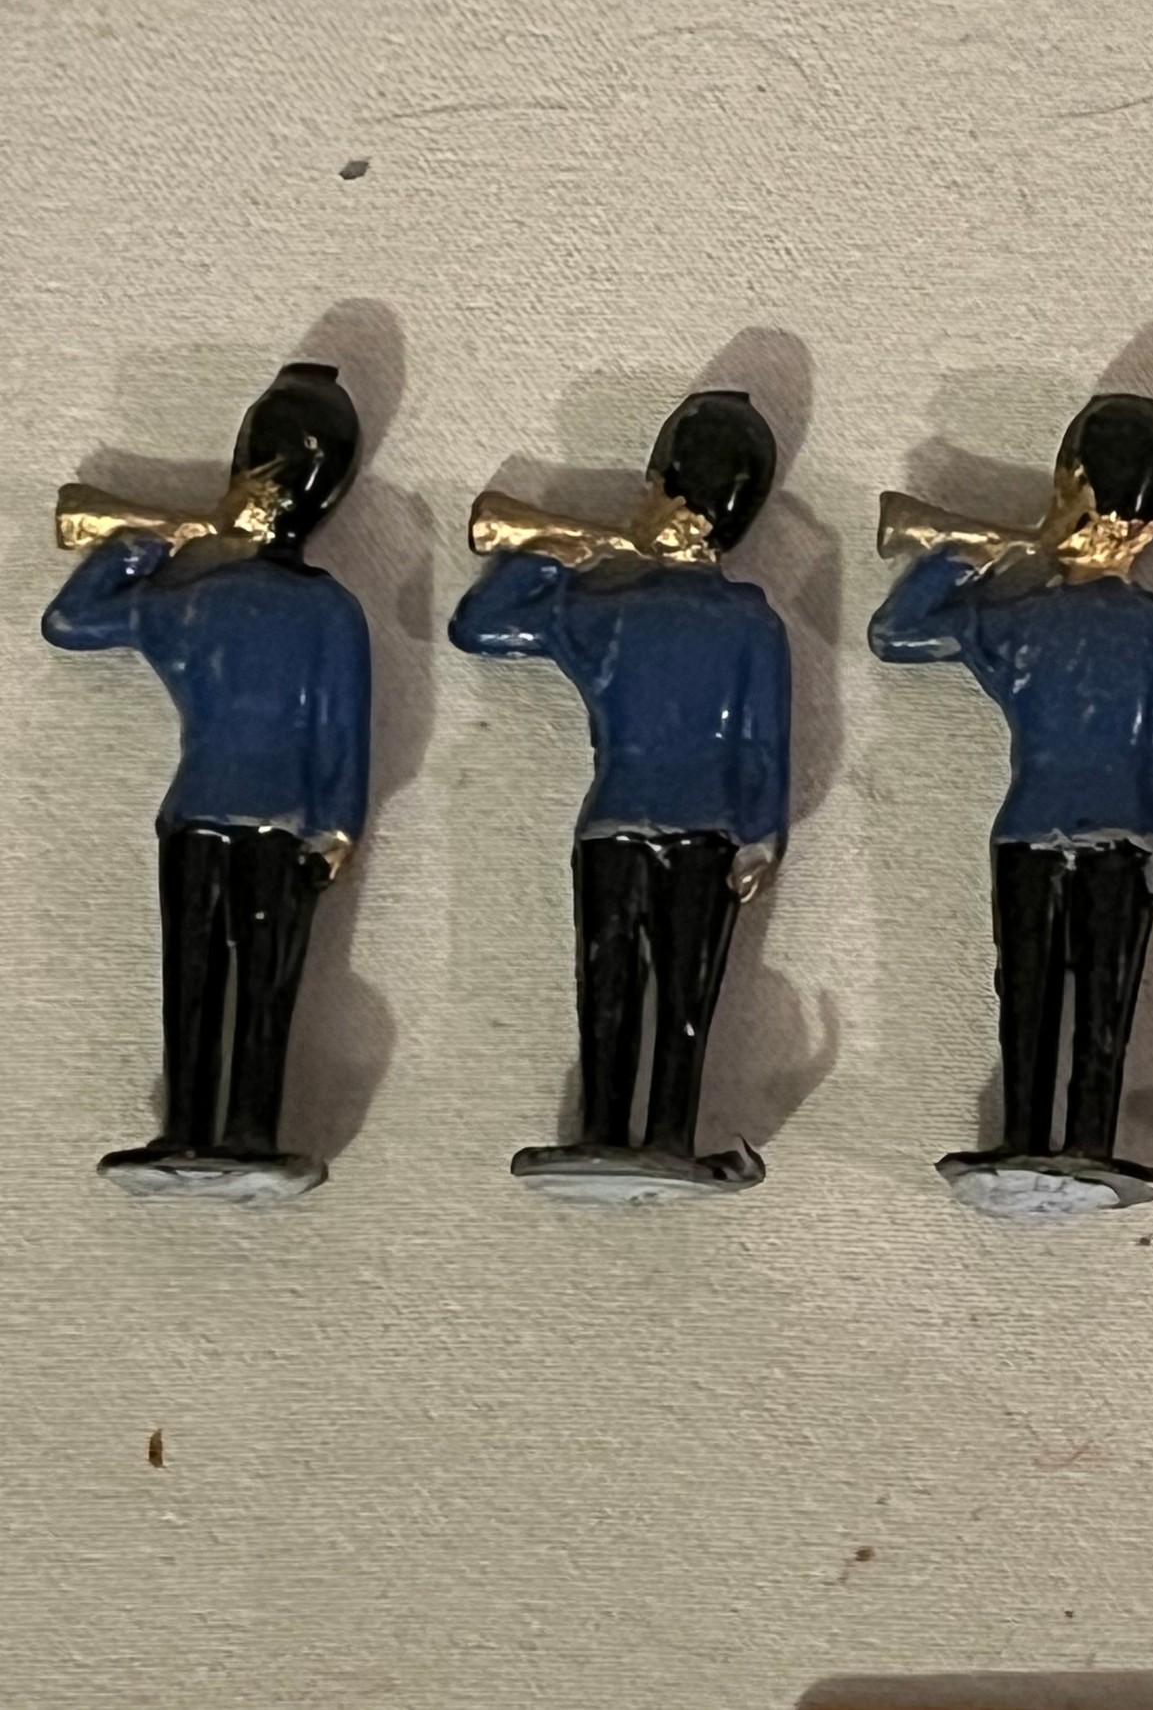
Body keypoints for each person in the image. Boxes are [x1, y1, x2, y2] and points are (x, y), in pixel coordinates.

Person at [452, 391, 791, 1201]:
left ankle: (623, 1127)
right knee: (666, 989)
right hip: (693, 828)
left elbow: (484, 619)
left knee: (626, 985)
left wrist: (553, 550)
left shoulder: (610, 605)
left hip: (630, 821)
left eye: (654, 489)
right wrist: (761, 831)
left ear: (674, 500)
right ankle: (645, 1129)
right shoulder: (744, 618)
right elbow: (764, 745)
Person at [869, 394, 1153, 1216]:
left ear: (1146, 533)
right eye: (1075, 501)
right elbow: (896, 633)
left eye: (1110, 515)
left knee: (1103, 997)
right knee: (1025, 992)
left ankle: (1088, 1138)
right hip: (1032, 832)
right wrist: (965, 551)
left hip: (1120, 840)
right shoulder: (1023, 620)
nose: (1086, 525)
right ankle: (1024, 1131)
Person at [44, 363, 371, 1201]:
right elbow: (342, 733)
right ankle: (216, 1127)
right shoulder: (295, 606)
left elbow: (74, 617)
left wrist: (146, 540)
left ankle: (218, 1126)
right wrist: (337, 825)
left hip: (225, 817)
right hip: (255, 822)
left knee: (224, 980)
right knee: (234, 981)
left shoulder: (208, 600)